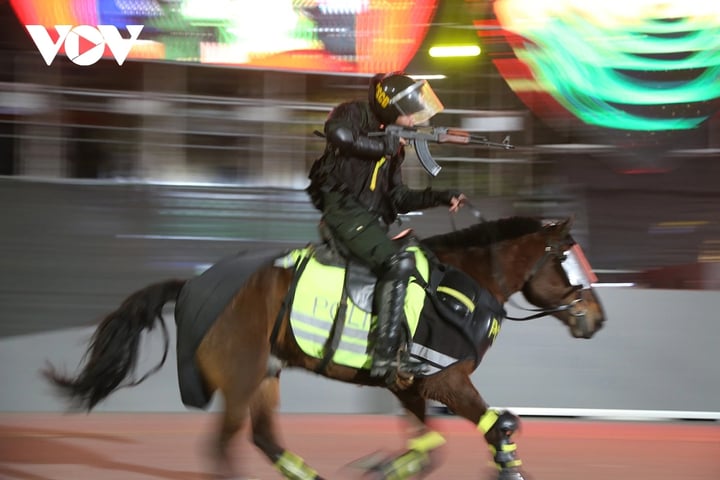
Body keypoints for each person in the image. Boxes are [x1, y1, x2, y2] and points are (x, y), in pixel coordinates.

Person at [306, 72, 466, 382]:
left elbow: (398, 198)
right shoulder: (353, 113)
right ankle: (385, 357)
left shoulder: (396, 147)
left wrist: (440, 196)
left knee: (419, 258)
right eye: (408, 110)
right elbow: (338, 135)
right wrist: (385, 147)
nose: (414, 117)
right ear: (389, 106)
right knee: (396, 261)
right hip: (342, 209)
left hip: (367, 218)